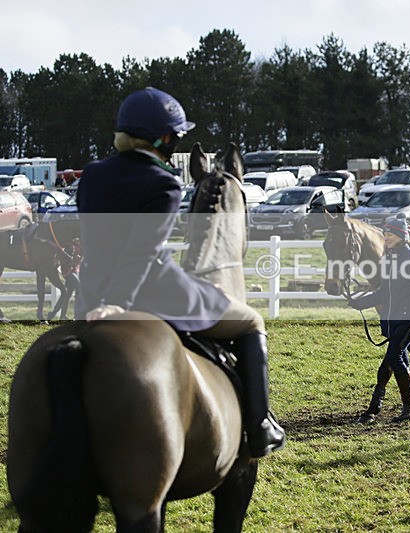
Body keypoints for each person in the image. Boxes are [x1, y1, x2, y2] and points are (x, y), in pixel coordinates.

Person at [75, 87, 285, 456]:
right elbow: (141, 254)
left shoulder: (92, 175)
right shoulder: (164, 182)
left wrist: (103, 300)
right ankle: (260, 425)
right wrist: (117, 303)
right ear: (164, 138)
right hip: (151, 293)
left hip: (90, 295)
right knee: (251, 321)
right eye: (176, 137)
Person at [347, 214, 410, 421]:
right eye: (385, 234)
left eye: (390, 234)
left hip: (406, 319)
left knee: (394, 357)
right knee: (401, 360)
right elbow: (383, 292)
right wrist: (359, 303)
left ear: (401, 235)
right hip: (391, 319)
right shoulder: (388, 259)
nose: (387, 237)